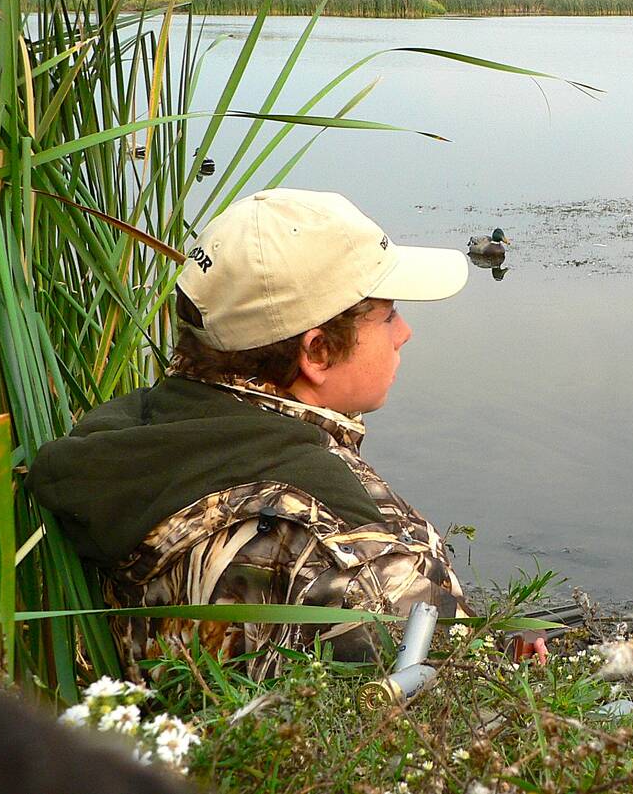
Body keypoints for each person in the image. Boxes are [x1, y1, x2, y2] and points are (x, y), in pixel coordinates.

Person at [27, 189, 470, 679]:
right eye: (388, 315)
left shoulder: (117, 443)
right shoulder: (344, 549)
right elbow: (449, 705)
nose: (404, 332)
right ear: (318, 353)